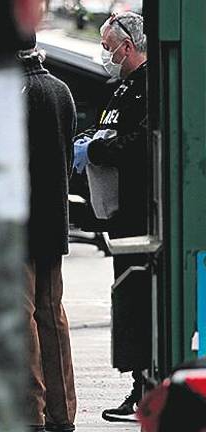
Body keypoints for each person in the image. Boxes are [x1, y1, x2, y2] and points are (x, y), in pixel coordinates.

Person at [72, 12, 150, 422]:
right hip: (117, 213)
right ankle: (138, 387)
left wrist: (98, 152)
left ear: (127, 45)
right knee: (128, 296)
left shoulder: (150, 85)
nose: (105, 53)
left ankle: (144, 389)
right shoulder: (120, 90)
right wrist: (90, 142)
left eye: (107, 46)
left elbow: (139, 142)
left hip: (141, 212)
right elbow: (110, 132)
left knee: (141, 298)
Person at [18, 35, 78, 432]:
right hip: (51, 219)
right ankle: (62, 412)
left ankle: (31, 411)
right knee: (51, 313)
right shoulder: (61, 91)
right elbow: (68, 154)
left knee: (20, 315)